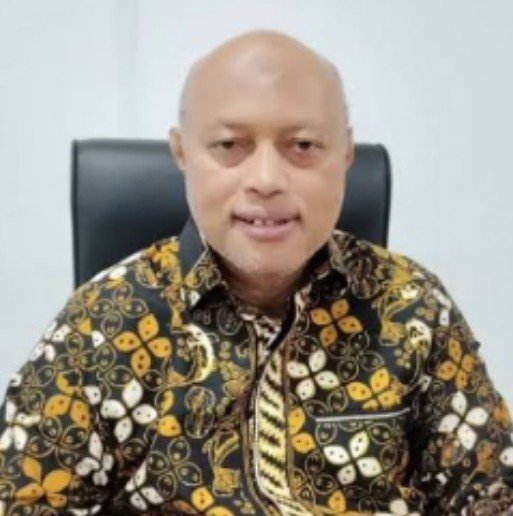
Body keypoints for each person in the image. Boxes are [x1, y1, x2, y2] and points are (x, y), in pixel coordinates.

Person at [0, 30, 512, 516]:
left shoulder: (413, 307)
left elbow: (490, 494)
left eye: (303, 146)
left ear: (345, 155)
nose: (266, 180)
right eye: (230, 145)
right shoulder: (102, 324)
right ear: (182, 154)